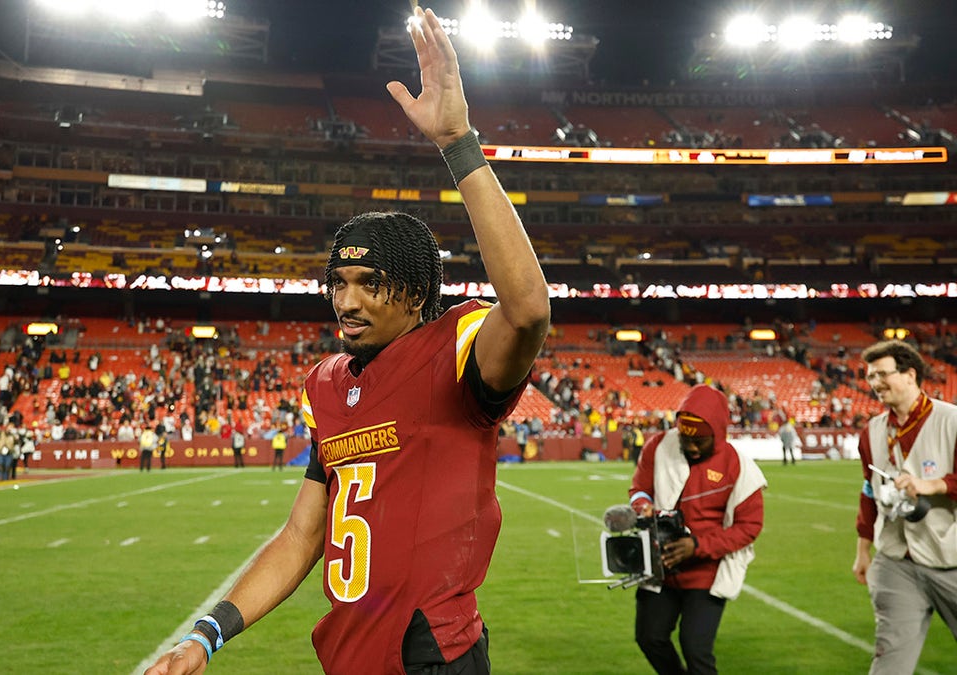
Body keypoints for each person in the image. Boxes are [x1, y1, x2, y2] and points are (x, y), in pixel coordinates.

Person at [143, 8, 550, 674]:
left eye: (370, 282)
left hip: (432, 654)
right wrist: (206, 634)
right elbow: (303, 534)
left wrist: (458, 140)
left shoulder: (455, 351)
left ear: (417, 293)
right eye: (339, 281)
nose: (346, 299)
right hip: (350, 653)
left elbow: (529, 308)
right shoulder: (328, 383)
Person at [629, 384, 766, 675]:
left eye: (700, 441)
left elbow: (749, 526)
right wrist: (644, 507)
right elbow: (638, 489)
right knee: (649, 637)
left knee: (696, 649)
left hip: (708, 571)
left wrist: (698, 546)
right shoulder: (657, 446)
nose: (691, 446)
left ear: (718, 433)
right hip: (661, 566)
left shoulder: (739, 465)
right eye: (685, 438)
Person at [851, 340, 957, 674]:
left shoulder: (951, 420)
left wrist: (934, 484)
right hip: (896, 560)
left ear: (910, 374)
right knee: (890, 660)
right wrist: (863, 550)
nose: (875, 383)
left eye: (882, 374)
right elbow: (869, 492)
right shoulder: (872, 432)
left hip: (950, 555)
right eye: (870, 377)